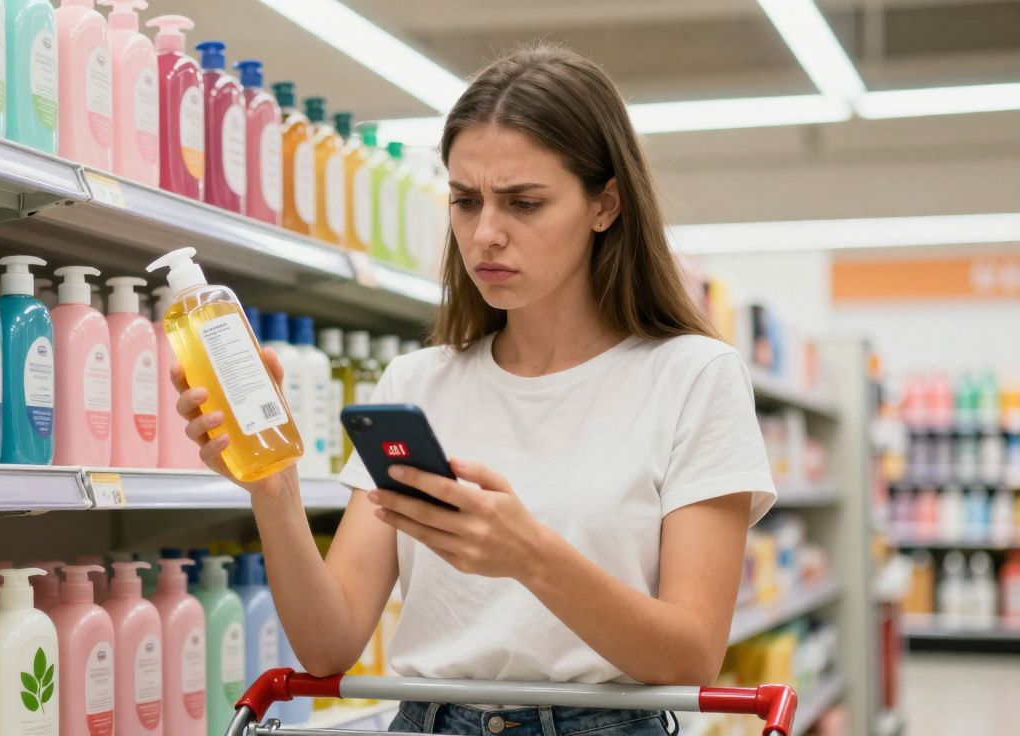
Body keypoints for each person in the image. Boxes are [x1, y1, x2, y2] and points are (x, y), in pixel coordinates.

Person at [170, 43, 776, 736]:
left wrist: (529, 555)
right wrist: (272, 487)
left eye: (523, 203)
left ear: (604, 204)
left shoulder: (693, 377)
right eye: (465, 201)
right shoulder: (417, 382)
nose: (486, 234)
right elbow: (328, 644)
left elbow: (691, 654)